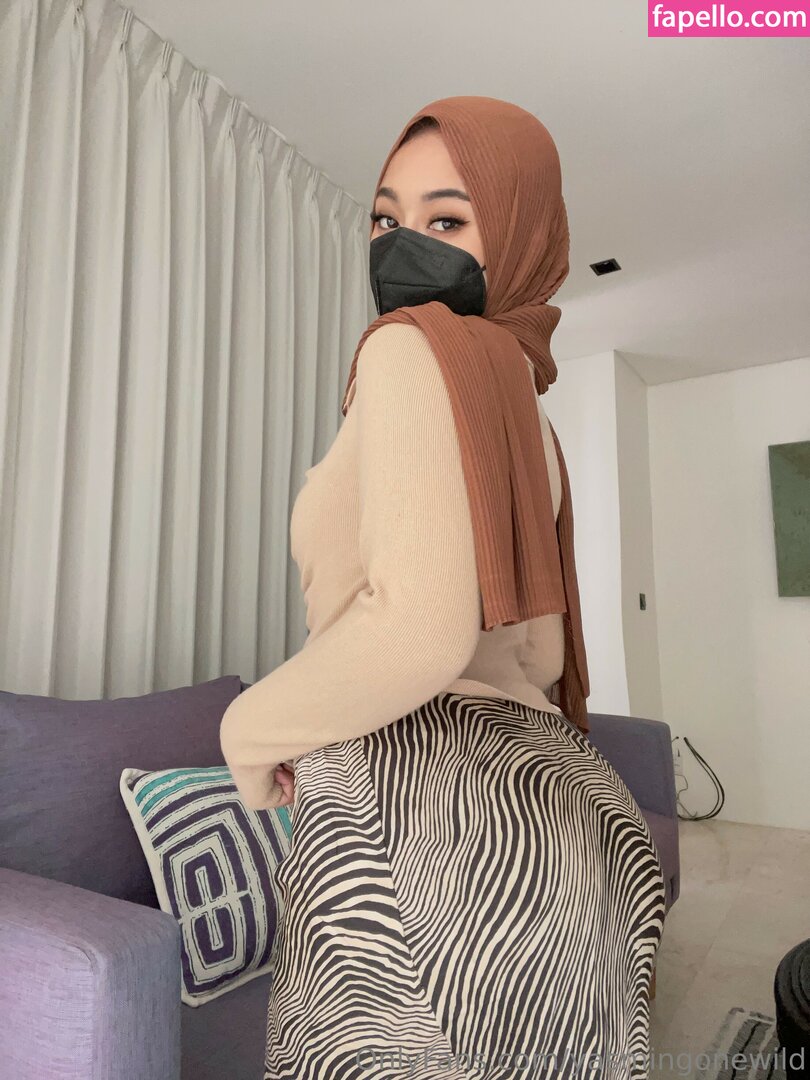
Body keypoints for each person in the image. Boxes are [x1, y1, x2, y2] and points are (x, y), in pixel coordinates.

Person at [220, 95, 667, 1080]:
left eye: (448, 220)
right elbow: (544, 654)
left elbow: (417, 634)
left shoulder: (409, 347)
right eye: (385, 217)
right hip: (569, 814)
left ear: (519, 239)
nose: (401, 246)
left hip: (411, 822)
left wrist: (248, 734)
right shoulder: (525, 409)